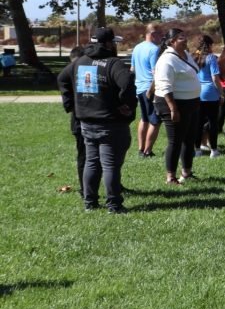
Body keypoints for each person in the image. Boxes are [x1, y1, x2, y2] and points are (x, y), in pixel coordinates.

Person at [61, 28, 136, 213]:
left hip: (86, 122)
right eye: (114, 42)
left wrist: (71, 104)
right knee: (110, 165)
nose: (115, 46)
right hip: (110, 123)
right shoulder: (113, 63)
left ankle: (90, 202)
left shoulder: (80, 61)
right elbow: (127, 82)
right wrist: (126, 104)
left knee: (92, 162)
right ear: (108, 44)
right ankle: (114, 204)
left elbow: (62, 78)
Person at [154, 28, 201, 185]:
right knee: (175, 141)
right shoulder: (166, 59)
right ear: (171, 41)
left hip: (191, 102)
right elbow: (164, 86)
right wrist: (173, 109)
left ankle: (186, 172)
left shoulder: (185, 54)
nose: (185, 39)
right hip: (174, 104)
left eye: (185, 36)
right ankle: (171, 177)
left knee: (189, 139)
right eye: (181, 38)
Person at [55, 46, 87, 198]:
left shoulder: (66, 73)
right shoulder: (68, 74)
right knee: (86, 156)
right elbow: (68, 105)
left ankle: (87, 188)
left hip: (83, 119)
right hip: (82, 120)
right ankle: (85, 188)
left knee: (89, 156)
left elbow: (68, 104)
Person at [130, 23, 162, 158]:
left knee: (144, 118)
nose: (162, 37)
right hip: (150, 88)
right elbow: (156, 72)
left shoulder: (137, 47)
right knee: (155, 121)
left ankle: (140, 149)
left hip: (139, 88)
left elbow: (132, 69)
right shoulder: (154, 49)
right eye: (160, 34)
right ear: (153, 34)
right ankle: (147, 151)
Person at [194, 35, 222, 157]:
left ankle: (197, 149)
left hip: (196, 92)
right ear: (209, 45)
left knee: (198, 123)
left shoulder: (193, 57)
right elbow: (215, 77)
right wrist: (221, 92)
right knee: (212, 122)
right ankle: (214, 150)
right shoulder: (211, 58)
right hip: (210, 93)